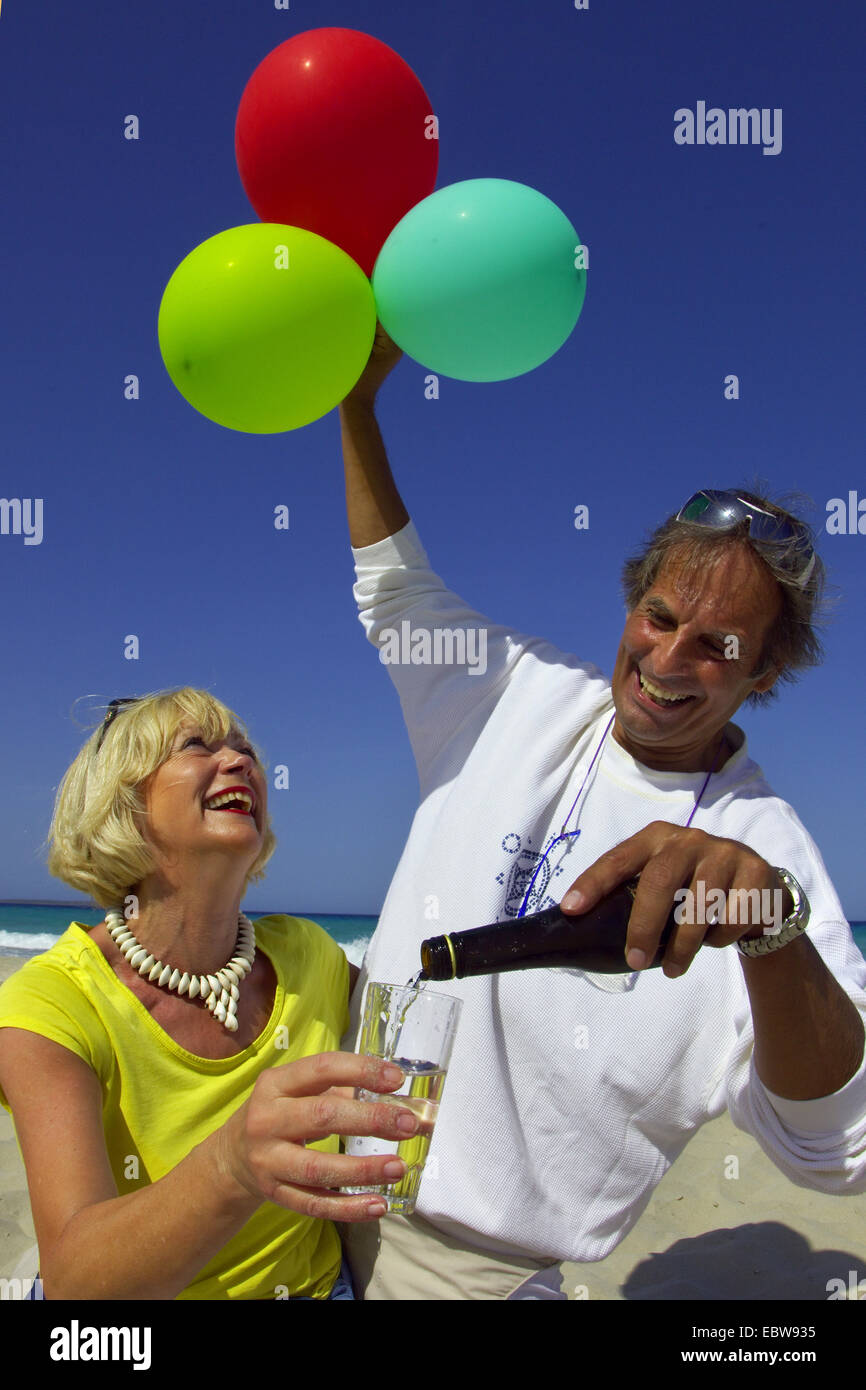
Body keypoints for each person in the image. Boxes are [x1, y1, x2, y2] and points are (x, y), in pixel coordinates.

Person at [336, 327, 866, 1300]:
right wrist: (356, 406)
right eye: (659, 619)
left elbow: (836, 1147)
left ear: (765, 670)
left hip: (463, 1275)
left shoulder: (759, 850)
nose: (667, 663)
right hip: (302, 1208)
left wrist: (771, 929)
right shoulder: (513, 695)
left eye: (716, 644)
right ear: (629, 605)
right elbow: (393, 587)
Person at [0, 687, 424, 1300]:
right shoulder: (51, 1006)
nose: (239, 759)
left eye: (244, 746)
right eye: (197, 745)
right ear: (125, 804)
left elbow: (422, 1028)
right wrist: (231, 1163)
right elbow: (76, 1287)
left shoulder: (310, 956)